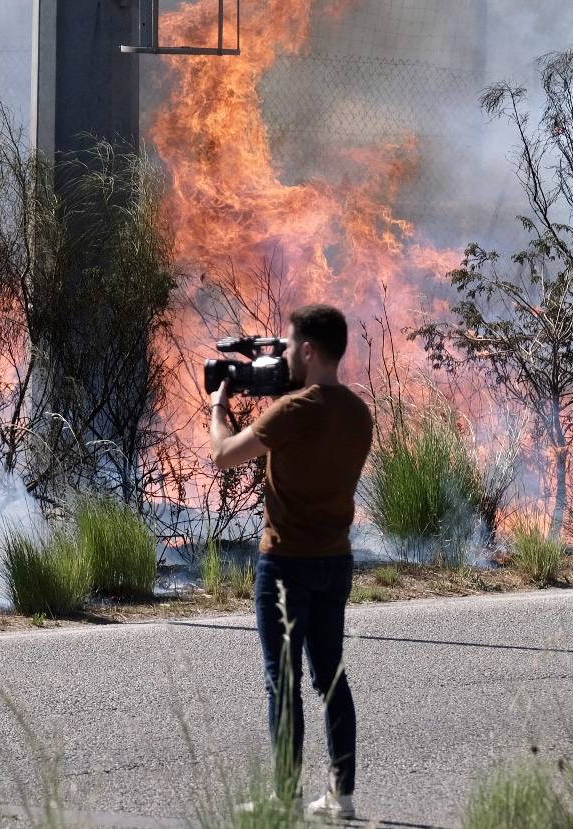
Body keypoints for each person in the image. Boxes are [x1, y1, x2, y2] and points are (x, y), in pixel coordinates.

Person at [208, 304, 374, 819]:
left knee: (283, 682)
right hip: (335, 562)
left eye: (290, 346)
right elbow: (313, 437)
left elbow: (224, 456)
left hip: (284, 564)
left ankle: (284, 798)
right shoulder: (357, 412)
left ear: (307, 350)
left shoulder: (292, 412)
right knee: (331, 677)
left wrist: (219, 405)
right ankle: (341, 796)